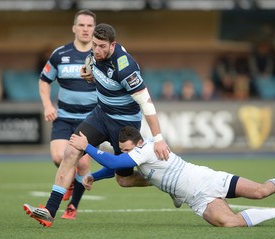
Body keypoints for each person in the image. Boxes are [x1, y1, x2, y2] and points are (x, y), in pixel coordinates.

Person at [23, 23, 170, 227]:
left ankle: (164, 181)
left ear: (113, 45)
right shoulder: (93, 56)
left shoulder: (125, 67)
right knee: (71, 151)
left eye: (102, 46)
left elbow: (147, 103)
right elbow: (98, 75)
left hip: (125, 125)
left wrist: (159, 140)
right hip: (100, 116)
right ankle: (50, 210)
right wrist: (90, 78)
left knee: (124, 180)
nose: (97, 50)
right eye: (95, 45)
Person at [70, 126, 275, 227]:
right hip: (196, 199)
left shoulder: (146, 149)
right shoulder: (137, 153)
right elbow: (117, 166)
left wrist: (88, 146)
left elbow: (115, 161)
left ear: (138, 143)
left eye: (128, 149)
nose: (126, 154)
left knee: (261, 191)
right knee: (229, 223)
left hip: (206, 180)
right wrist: (96, 176)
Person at [37, 9, 97, 219]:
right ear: (74, 28)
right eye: (81, 25)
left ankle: (73, 206)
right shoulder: (60, 54)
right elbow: (44, 81)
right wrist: (47, 105)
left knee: (82, 163)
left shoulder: (100, 55)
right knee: (58, 157)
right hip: (64, 115)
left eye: (90, 26)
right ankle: (68, 182)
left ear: (94, 29)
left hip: (91, 119)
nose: (85, 29)